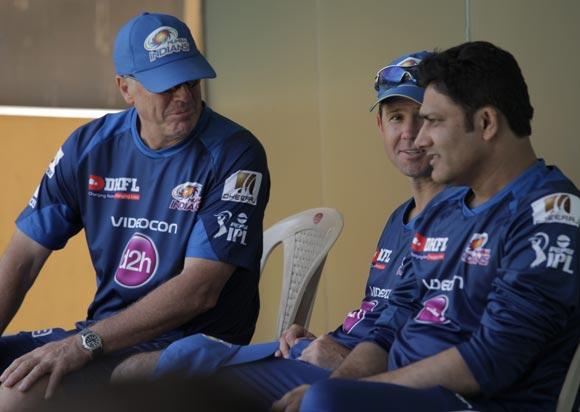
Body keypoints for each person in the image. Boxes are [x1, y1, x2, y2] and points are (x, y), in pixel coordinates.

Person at [111, 50, 461, 406]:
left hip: (365, 377)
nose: (408, 133)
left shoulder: (465, 217)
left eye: (421, 117)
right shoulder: (401, 216)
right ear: (380, 126)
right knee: (176, 358)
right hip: (335, 355)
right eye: (396, 118)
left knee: (188, 385)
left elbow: (442, 343)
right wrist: (323, 340)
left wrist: (341, 371)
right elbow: (379, 318)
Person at [286, 41, 579, 412]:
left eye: (433, 122)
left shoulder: (551, 213)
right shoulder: (443, 211)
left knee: (325, 401)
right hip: (401, 387)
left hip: (476, 402)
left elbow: (493, 359)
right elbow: (393, 323)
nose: (419, 139)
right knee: (209, 366)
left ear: (486, 123)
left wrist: (364, 390)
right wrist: (347, 383)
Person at [0, 11, 269, 406]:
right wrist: (87, 341)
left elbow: (200, 291)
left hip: (184, 347)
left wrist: (85, 343)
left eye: (191, 81)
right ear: (125, 88)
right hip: (101, 336)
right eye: (166, 85)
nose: (183, 96)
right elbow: (22, 257)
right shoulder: (89, 147)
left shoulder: (235, 152)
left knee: (14, 397)